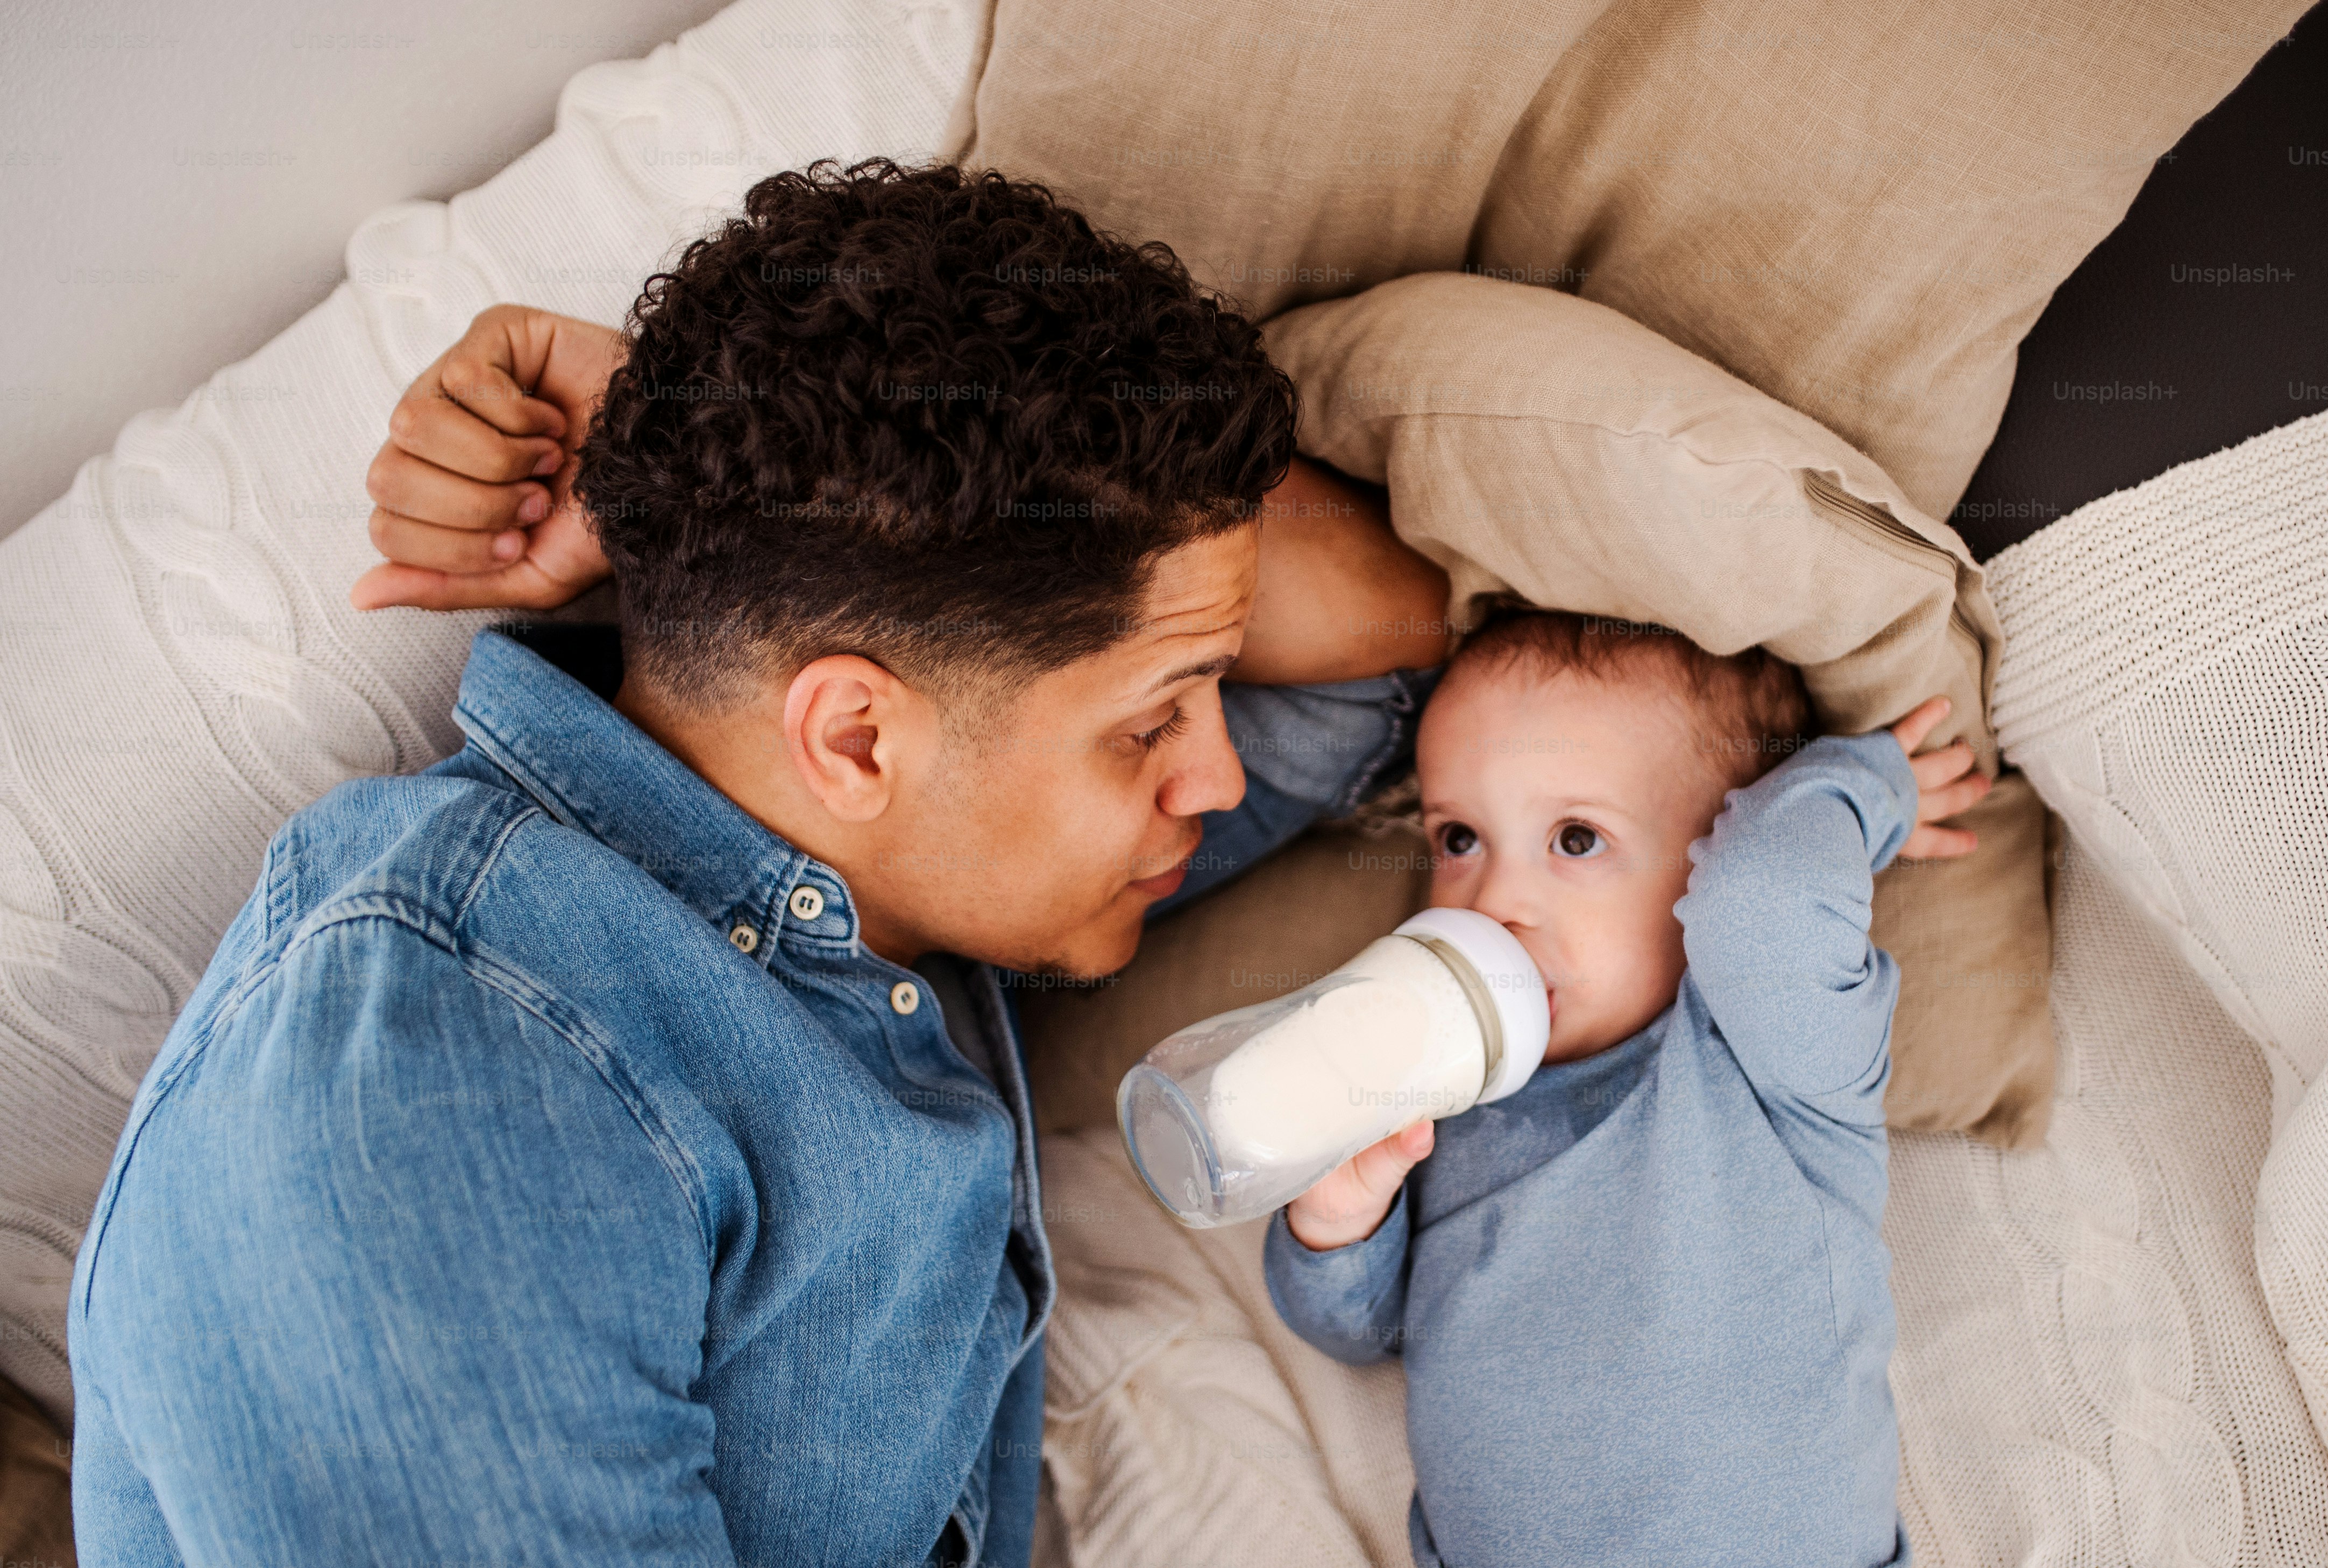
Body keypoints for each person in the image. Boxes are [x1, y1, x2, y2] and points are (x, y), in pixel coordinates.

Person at [69, 159, 1453, 1568]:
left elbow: (1385, 638)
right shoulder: (430, 1071)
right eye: (1152, 720)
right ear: (851, 734)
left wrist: (696, 475)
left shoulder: (866, 886)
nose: (1211, 774)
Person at [1264, 609, 1990, 1568]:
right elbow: (1361, 1332)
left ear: (1713, 858)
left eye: (1574, 839)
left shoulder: (1760, 1058)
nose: (1494, 905)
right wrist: (1335, 1222)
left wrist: (1861, 789)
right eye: (1460, 837)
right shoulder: (1437, 1088)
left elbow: (1772, 894)